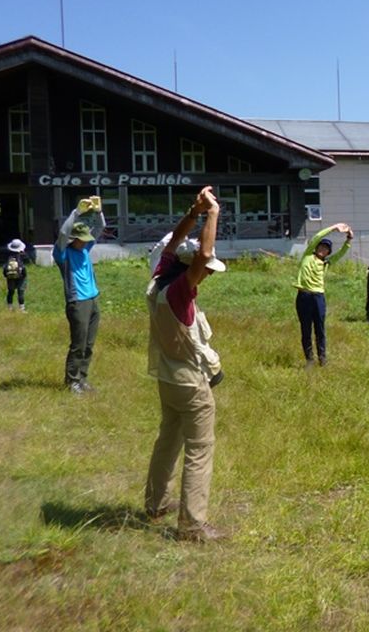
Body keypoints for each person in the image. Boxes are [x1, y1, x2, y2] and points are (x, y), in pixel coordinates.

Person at [144, 186, 228, 541]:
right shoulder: (180, 291)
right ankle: (193, 525)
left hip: (166, 376)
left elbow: (174, 243)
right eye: (206, 269)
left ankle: (156, 503)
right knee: (199, 449)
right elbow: (203, 251)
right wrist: (213, 213)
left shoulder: (159, 280)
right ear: (193, 267)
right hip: (190, 381)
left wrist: (192, 213)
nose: (208, 272)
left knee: (168, 440)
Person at [53, 196, 106, 394]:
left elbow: (100, 230)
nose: (85, 243)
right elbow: (63, 233)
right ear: (73, 240)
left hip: (93, 299)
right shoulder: (63, 255)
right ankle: (72, 381)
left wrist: (98, 213)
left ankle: (82, 379)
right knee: (78, 345)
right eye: (81, 240)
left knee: (89, 345)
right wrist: (76, 213)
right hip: (78, 302)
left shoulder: (84, 250)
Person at [295, 222, 353, 366]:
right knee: (306, 329)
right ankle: (309, 360)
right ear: (316, 247)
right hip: (304, 296)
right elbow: (318, 236)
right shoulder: (308, 255)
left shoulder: (326, 263)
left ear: (328, 252)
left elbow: (340, 254)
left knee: (320, 329)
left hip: (318, 297)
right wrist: (334, 228)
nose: (323, 249)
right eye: (321, 246)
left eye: (326, 248)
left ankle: (323, 359)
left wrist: (349, 240)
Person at [3, 238, 29, 312]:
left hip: (10, 276)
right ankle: (22, 308)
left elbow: (5, 268)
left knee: (11, 292)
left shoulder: (8, 256)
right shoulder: (21, 255)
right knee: (20, 292)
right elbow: (26, 263)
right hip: (21, 276)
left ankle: (9, 307)